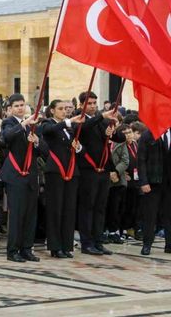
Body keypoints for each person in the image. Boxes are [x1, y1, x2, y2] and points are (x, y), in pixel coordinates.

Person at [0, 93, 43, 262]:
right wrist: (24, 123)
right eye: (16, 106)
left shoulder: (33, 126)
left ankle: (27, 248)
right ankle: (13, 250)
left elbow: (44, 151)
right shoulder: (8, 123)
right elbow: (6, 137)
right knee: (17, 214)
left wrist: (37, 141)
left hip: (31, 175)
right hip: (15, 175)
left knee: (30, 214)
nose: (20, 108)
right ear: (10, 108)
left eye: (22, 105)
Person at [76, 91, 121, 256]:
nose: (93, 106)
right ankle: (86, 242)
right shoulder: (80, 119)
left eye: (95, 103)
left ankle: (98, 241)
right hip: (88, 170)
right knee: (87, 207)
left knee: (100, 207)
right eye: (89, 103)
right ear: (81, 105)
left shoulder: (102, 121)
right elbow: (85, 128)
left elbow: (119, 137)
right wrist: (102, 116)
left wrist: (114, 131)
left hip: (103, 170)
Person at [40, 100, 84, 259]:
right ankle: (55, 246)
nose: (64, 111)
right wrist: (69, 121)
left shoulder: (69, 129)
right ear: (52, 111)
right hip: (55, 172)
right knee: (55, 209)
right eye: (60, 109)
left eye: (66, 109)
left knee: (69, 209)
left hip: (71, 171)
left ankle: (67, 245)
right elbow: (49, 131)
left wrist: (78, 147)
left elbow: (79, 148)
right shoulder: (48, 124)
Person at [137, 128, 171, 255]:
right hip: (153, 182)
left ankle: (169, 244)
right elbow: (141, 160)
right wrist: (144, 181)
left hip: (169, 183)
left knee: (169, 215)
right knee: (150, 215)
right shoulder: (148, 135)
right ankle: (147, 244)